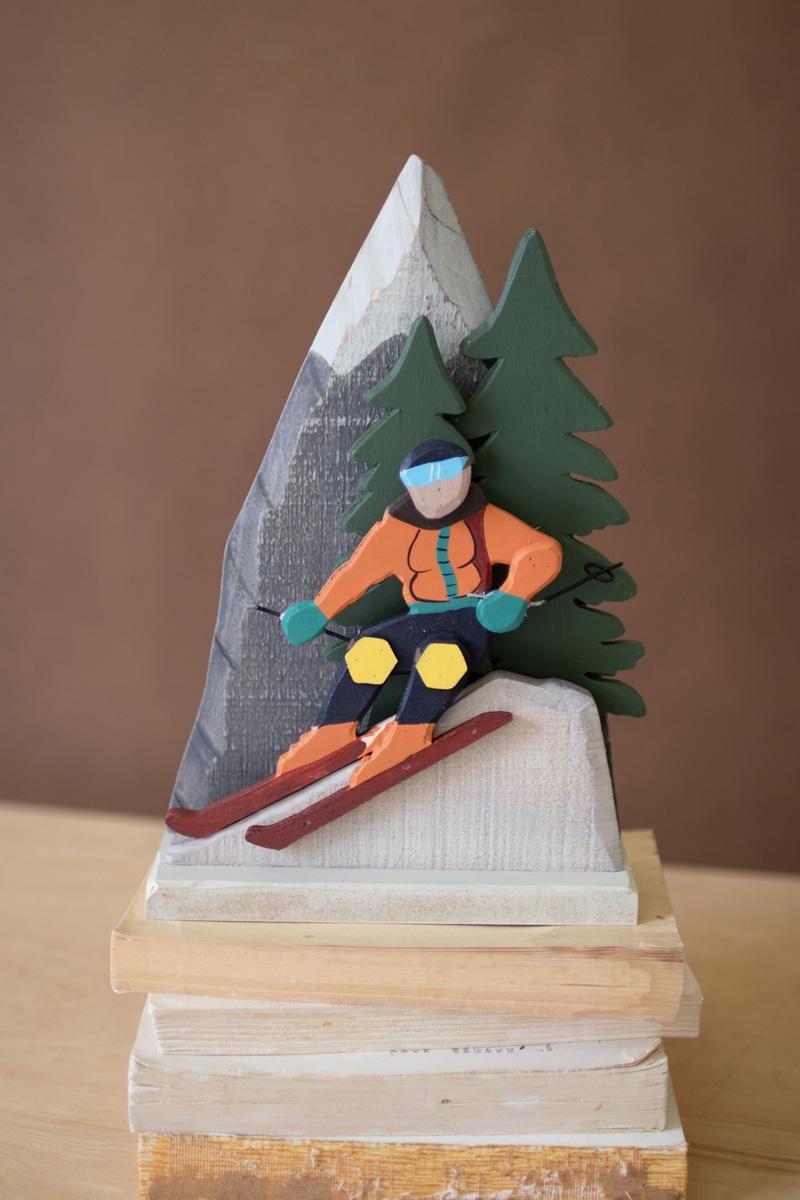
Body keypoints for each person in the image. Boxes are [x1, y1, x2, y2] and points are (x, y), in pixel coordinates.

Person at [278, 439, 562, 786]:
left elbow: (540, 551)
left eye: (446, 474)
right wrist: (318, 611)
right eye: (423, 479)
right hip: (420, 616)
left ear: (465, 474)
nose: (436, 487)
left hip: (467, 619)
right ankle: (331, 733)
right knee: (369, 650)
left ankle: (409, 734)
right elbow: (358, 572)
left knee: (441, 658)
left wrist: (512, 595)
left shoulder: (484, 520)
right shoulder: (397, 528)